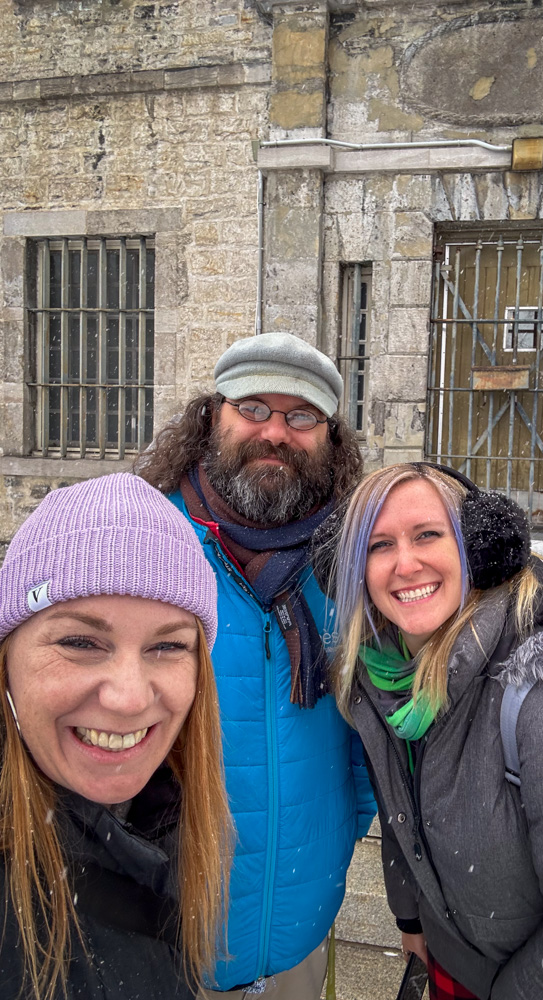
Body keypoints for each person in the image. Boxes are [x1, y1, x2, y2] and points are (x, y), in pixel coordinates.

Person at [315, 462, 543, 1000]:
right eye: (379, 545)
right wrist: (410, 920)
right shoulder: (380, 679)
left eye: (427, 535)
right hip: (455, 966)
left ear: (479, 547)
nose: (405, 564)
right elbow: (400, 813)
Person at [136, 331, 376, 998]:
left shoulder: (356, 561)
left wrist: (330, 831)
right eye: (253, 408)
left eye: (302, 416)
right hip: (167, 934)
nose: (276, 432)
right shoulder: (146, 541)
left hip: (301, 924)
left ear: (329, 437)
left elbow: (367, 731)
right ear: (213, 416)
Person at [0, 472, 232, 1000]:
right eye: (81, 641)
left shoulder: (168, 815)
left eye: (167, 647)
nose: (128, 698)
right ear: (8, 658)